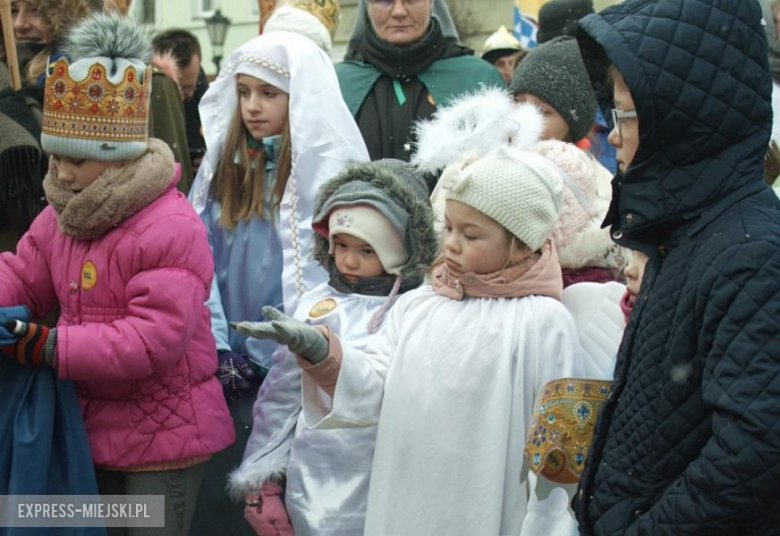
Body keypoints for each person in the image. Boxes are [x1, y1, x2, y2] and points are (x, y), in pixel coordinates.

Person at [236, 148, 583, 535]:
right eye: (448, 227)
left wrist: (549, 525)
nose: (450, 244)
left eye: (470, 235)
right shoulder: (421, 304)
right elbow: (374, 393)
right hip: (407, 506)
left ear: (520, 242)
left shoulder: (544, 322)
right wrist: (325, 355)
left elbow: (560, 445)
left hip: (489, 509)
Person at [0, 13, 234, 536]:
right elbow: (21, 272)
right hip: (91, 429)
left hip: (165, 441)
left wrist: (49, 346)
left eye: (76, 161)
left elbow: (153, 340)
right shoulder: (62, 211)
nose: (60, 174)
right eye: (55, 156)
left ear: (118, 158)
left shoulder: (171, 225)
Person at [573, 0, 780, 533]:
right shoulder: (690, 232)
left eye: (624, 113)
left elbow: (753, 452)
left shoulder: (750, 251)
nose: (612, 135)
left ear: (684, 120)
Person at [187, 31, 369, 536]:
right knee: (229, 497)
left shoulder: (322, 173)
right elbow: (198, 258)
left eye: (268, 94)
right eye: (243, 92)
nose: (252, 106)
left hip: (300, 362)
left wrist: (289, 350)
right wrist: (221, 346)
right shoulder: (225, 170)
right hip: (232, 364)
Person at [230, 159, 437, 536]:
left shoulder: (421, 308)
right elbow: (280, 397)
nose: (349, 260)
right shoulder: (318, 304)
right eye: (340, 245)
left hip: (394, 483)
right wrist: (263, 483)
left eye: (368, 250)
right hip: (316, 489)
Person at [336, 0, 504, 163]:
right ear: (367, 7)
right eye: (384, 1)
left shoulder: (476, 78)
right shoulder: (337, 84)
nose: (399, 11)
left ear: (432, 4)